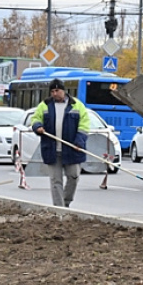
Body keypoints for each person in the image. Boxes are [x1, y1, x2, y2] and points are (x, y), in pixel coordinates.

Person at [31, 79, 91, 208]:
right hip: (52, 150)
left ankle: (66, 202)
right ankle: (59, 208)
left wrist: (79, 141)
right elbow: (35, 119)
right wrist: (37, 126)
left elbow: (84, 125)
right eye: (52, 91)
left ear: (63, 91)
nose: (54, 93)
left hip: (72, 149)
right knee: (55, 181)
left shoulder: (77, 105)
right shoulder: (45, 105)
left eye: (57, 90)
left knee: (73, 177)